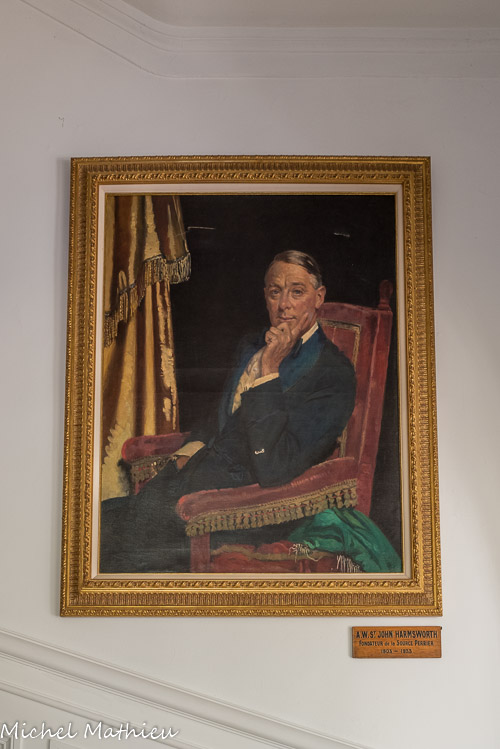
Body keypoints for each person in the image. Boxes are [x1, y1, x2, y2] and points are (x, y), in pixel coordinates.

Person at [100, 251, 399, 573]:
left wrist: (269, 371)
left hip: (243, 511)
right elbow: (219, 418)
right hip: (188, 484)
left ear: (318, 297)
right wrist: (187, 453)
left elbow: (274, 468)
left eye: (297, 292)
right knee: (96, 524)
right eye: (275, 292)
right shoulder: (250, 344)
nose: (284, 305)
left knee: (117, 554)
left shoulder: (333, 373)